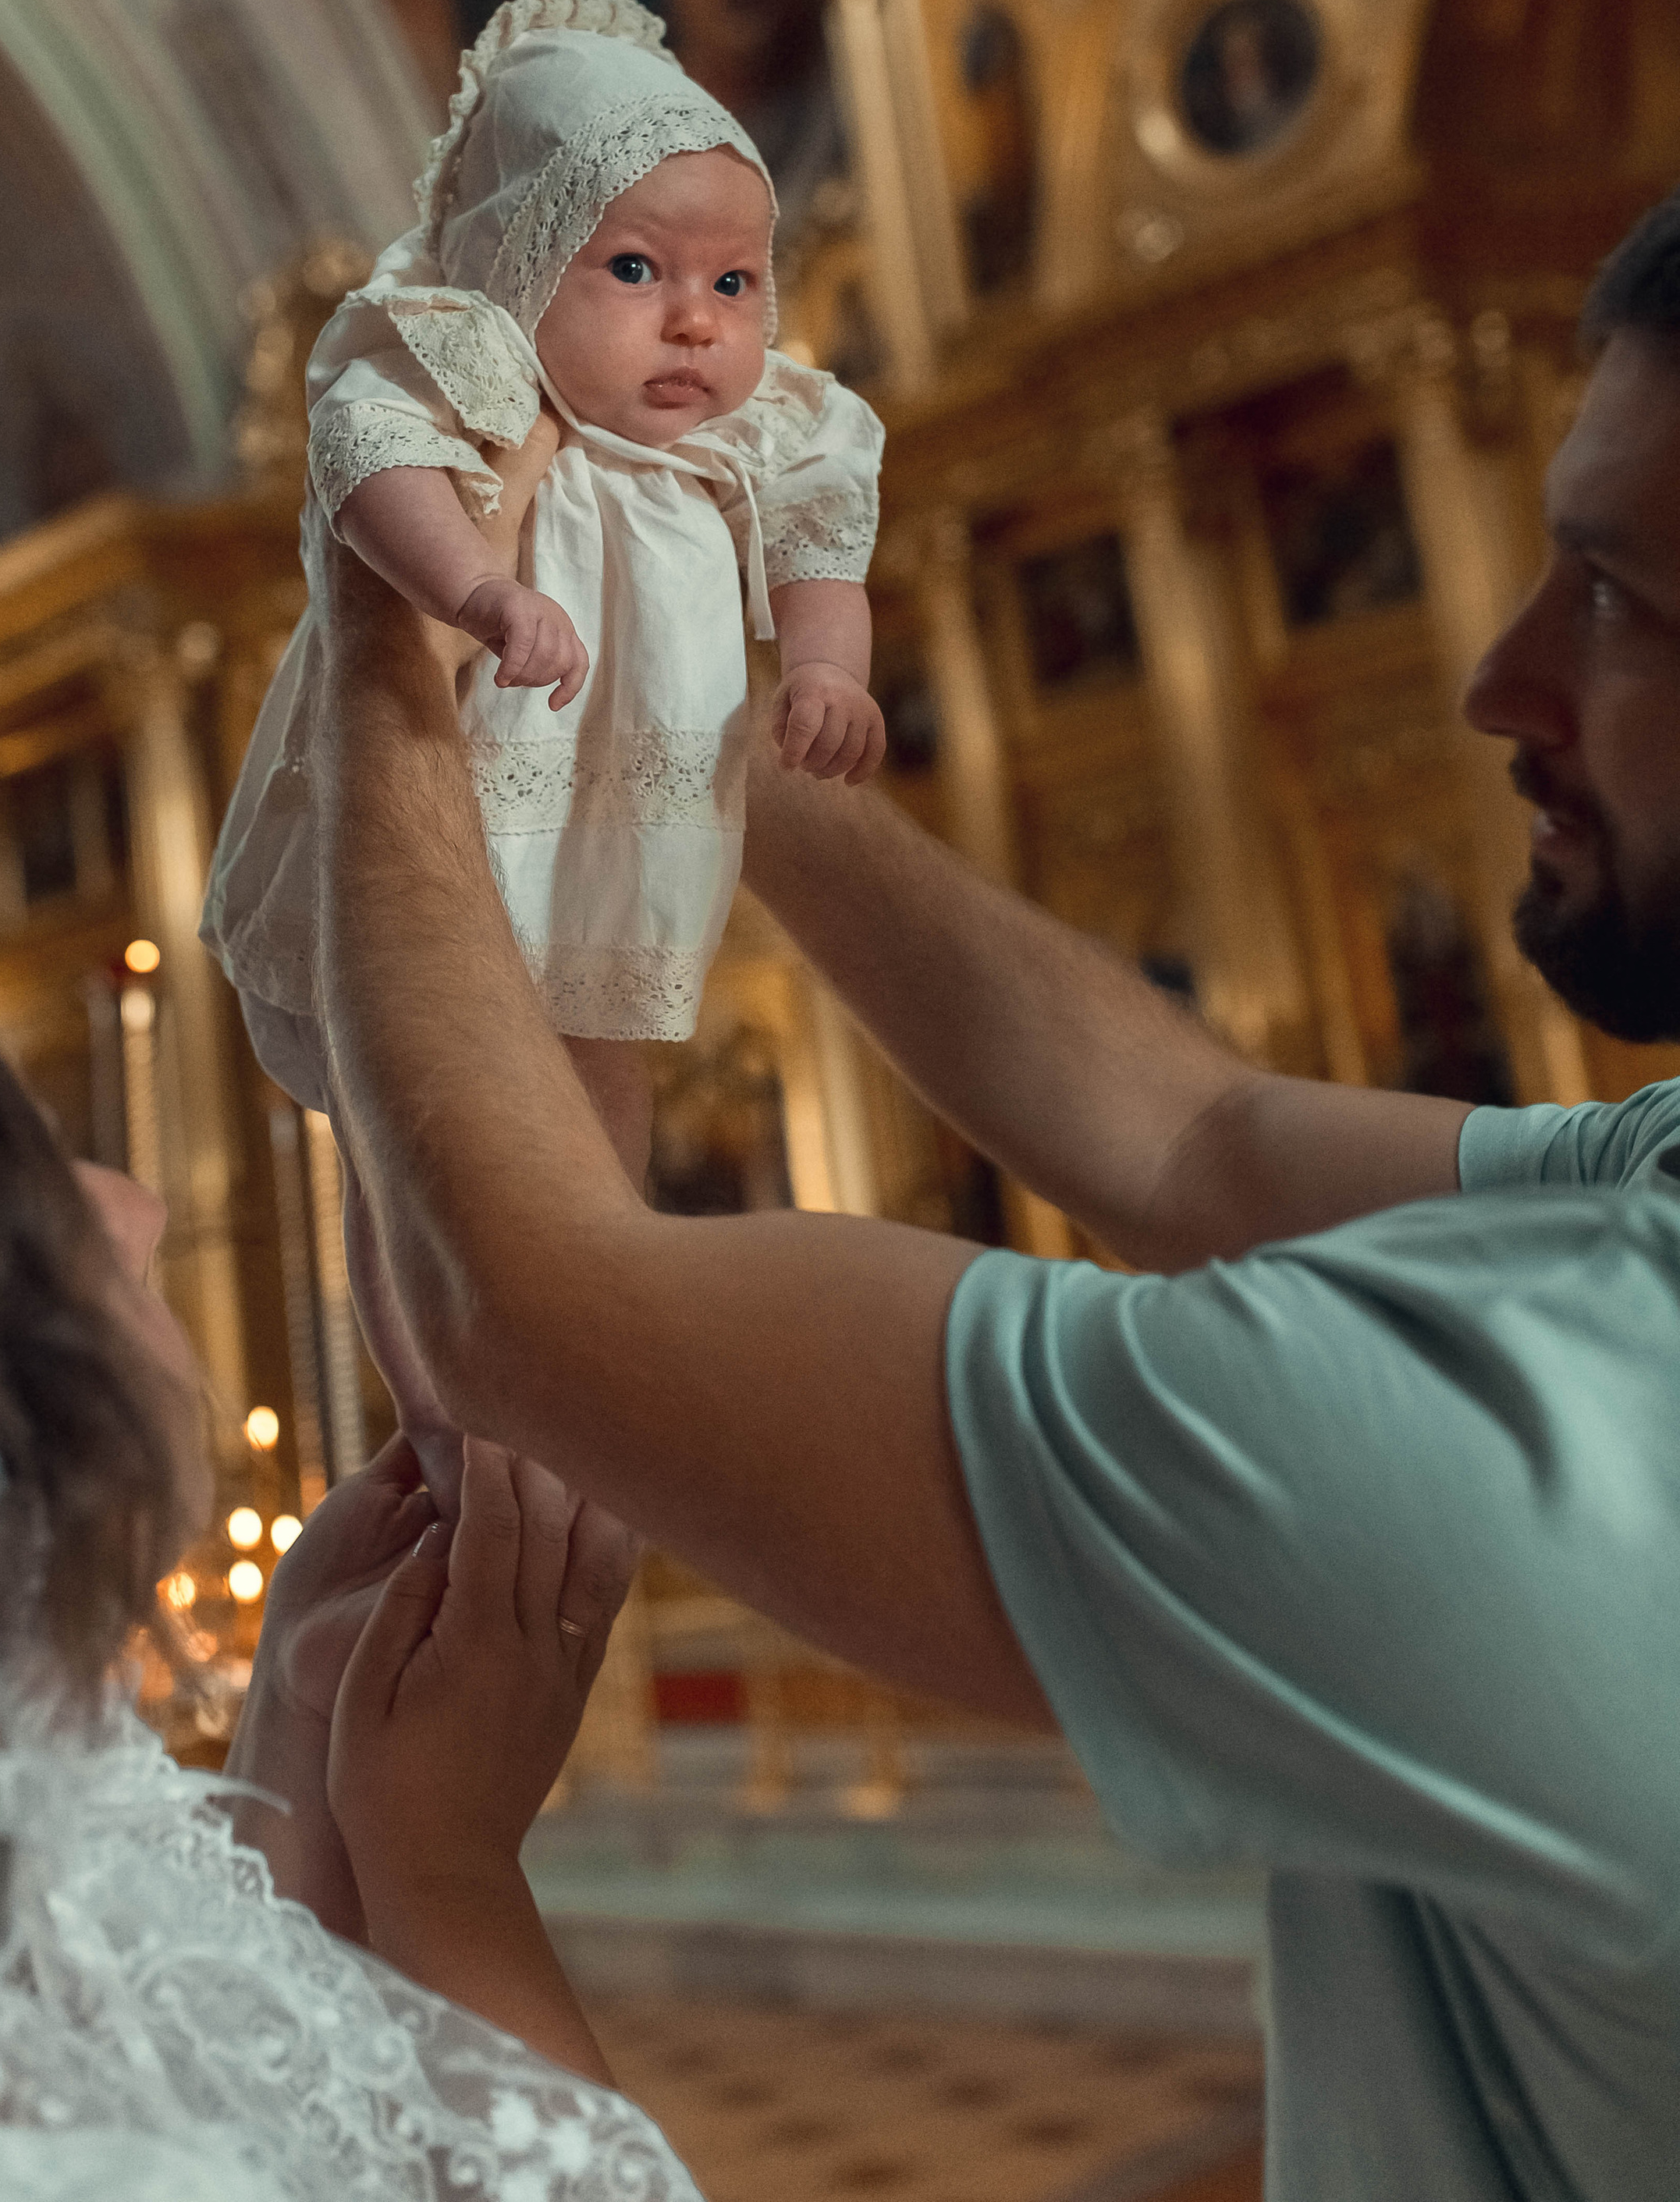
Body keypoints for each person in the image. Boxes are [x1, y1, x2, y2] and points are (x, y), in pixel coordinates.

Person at [305, 190, 1680, 2200]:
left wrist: (386, 623)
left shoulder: (1562, 1436)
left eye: (1619, 597)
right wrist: (674, 689)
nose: (1498, 675)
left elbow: (521, 1300)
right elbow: (1193, 1145)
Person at [0, 933, 703, 2202]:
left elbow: (200, 2053)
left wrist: (298, 1726)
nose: (131, 1202)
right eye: (16, 1162)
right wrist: (449, 1867)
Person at [203, 0, 885, 1487]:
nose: (696, 320)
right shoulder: (476, 369)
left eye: (736, 283)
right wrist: (480, 587)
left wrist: (828, 671)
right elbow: (369, 465)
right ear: (517, 261)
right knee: (403, 1122)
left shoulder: (755, 430)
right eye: (635, 268)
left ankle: (588, 1340)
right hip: (447, 819)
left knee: (602, 1079)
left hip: (609, 854)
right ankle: (439, 1408)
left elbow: (823, 540)